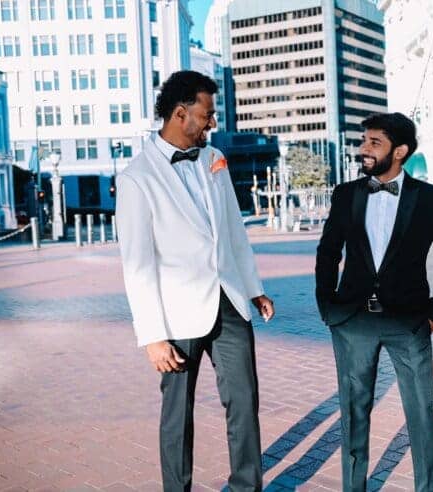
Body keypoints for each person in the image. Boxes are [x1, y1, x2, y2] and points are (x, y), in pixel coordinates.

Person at [116, 70, 275, 492]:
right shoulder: (136, 178)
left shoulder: (212, 159)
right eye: (206, 115)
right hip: (175, 317)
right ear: (181, 113)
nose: (212, 123)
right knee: (177, 413)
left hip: (229, 301)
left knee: (244, 402)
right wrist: (152, 336)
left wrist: (253, 285)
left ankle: (246, 486)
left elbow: (233, 228)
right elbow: (137, 264)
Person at [315, 112, 433, 492]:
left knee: (421, 412)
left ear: (399, 151)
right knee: (354, 412)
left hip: (409, 324)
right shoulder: (346, 195)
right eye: (364, 141)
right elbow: (328, 252)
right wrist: (328, 308)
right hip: (352, 321)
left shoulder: (430, 199)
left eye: (374, 143)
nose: (363, 149)